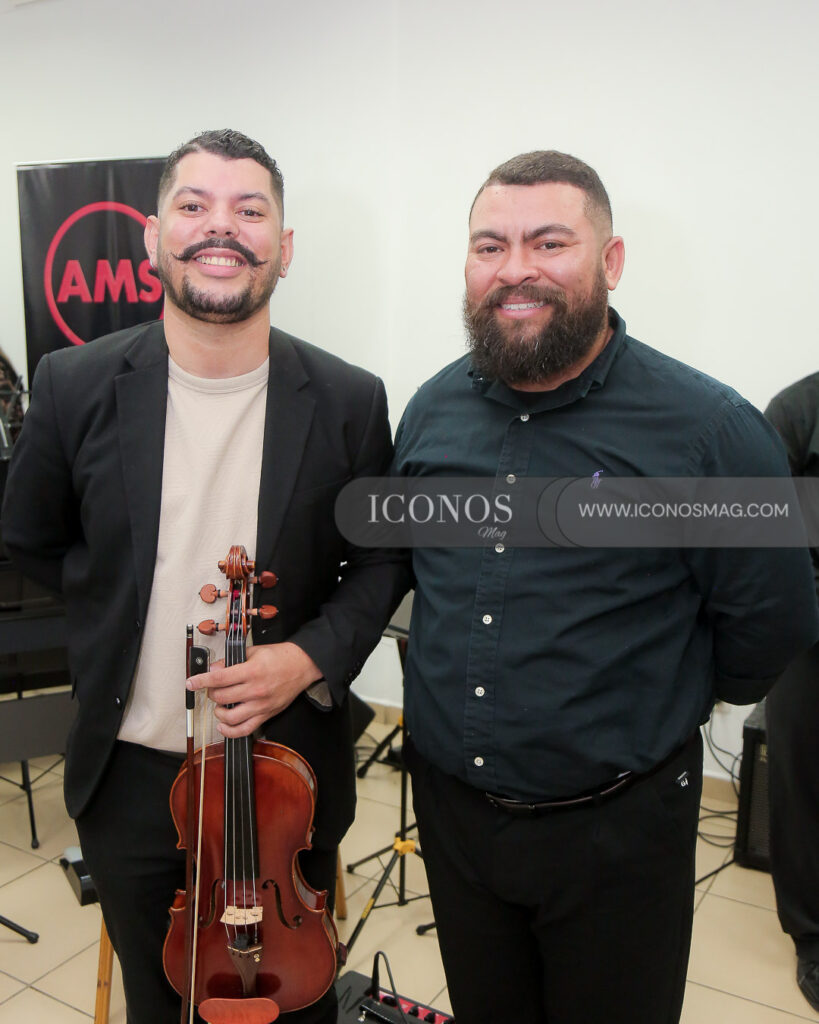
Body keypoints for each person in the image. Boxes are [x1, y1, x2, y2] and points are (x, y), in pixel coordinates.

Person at [392, 150, 819, 1024]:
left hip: (616, 831)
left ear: (610, 262)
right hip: (453, 815)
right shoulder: (430, 411)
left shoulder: (711, 432)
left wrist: (654, 705)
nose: (515, 270)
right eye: (488, 246)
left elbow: (772, 621)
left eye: (549, 243)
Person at [1, 129, 407, 1024]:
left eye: (248, 210)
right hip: (132, 776)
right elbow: (29, 537)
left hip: (282, 782)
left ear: (284, 248)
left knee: (290, 1001)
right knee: (163, 1005)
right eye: (192, 206)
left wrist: (305, 658)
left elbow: (382, 561)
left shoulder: (348, 399)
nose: (218, 229)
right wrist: (116, 612)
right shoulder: (73, 384)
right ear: (152, 236)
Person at [764, 372, 819, 1014]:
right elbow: (769, 532)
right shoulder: (798, 411)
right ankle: (813, 937)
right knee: (804, 784)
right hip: (813, 631)